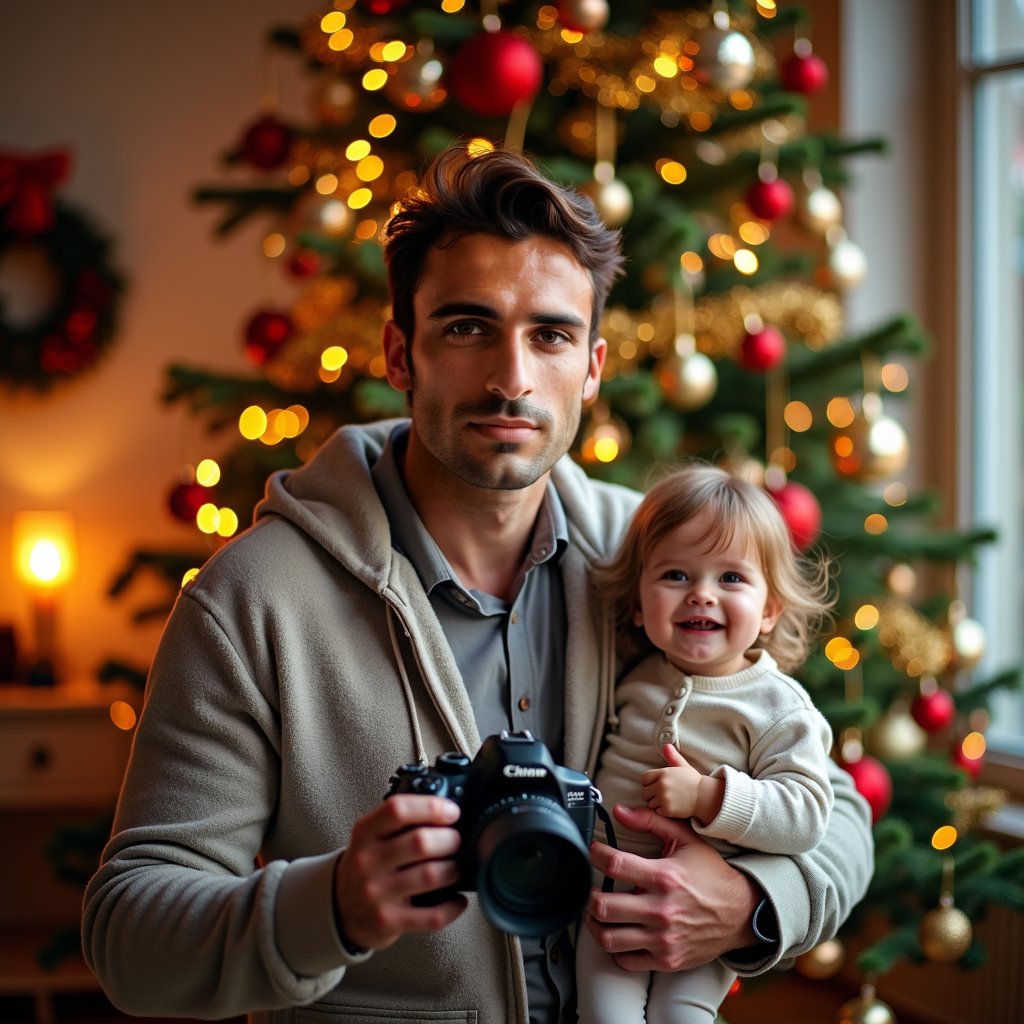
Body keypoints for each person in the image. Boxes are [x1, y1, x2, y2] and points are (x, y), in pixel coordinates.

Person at [82, 145, 872, 1024]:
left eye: (551, 334)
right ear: (399, 351)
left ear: (595, 367)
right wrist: (334, 904)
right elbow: (130, 939)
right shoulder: (253, 603)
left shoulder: (654, 563)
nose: (512, 379)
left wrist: (750, 903)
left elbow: (836, 813)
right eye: (467, 327)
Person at [575, 464, 836, 1024]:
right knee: (602, 1015)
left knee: (683, 1015)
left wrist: (709, 798)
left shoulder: (779, 707)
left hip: (708, 908)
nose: (701, 595)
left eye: (731, 579)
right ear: (640, 606)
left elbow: (808, 814)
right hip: (611, 898)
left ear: (770, 610)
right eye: (675, 575)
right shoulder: (633, 681)